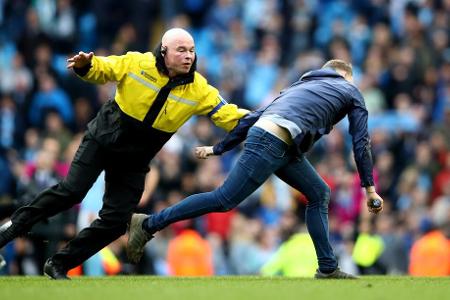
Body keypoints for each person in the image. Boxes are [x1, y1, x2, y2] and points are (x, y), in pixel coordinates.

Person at [0, 28, 248, 279]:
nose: (189, 56)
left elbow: (229, 115)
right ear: (163, 51)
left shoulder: (199, 89)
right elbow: (104, 68)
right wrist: (87, 65)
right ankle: (9, 230)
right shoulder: (137, 62)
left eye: (192, 51)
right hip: (103, 140)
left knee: (116, 223)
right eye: (181, 50)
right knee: (71, 192)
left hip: (134, 160)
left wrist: (262, 121)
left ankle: (59, 264)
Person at [127, 59, 384, 279]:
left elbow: (255, 116)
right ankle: (149, 224)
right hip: (274, 143)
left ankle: (328, 267)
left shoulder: (299, 86)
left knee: (319, 193)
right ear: (346, 77)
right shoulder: (350, 91)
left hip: (276, 141)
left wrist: (219, 149)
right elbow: (361, 143)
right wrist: (370, 189)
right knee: (224, 199)